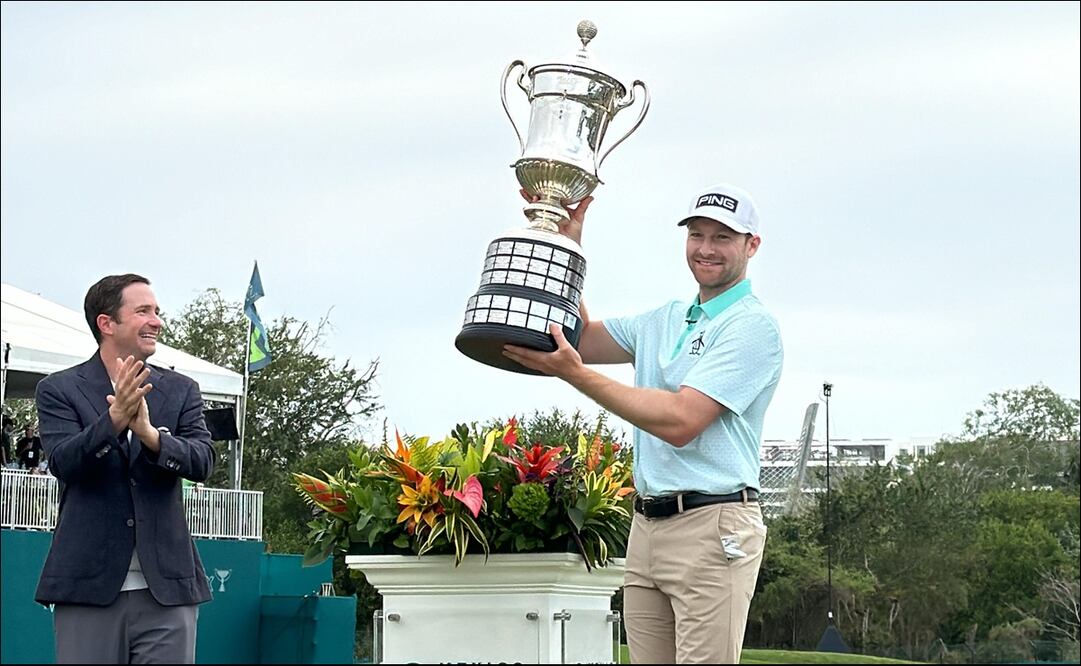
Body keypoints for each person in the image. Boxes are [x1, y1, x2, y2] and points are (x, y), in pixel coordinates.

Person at [503, 183, 783, 664]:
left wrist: (576, 377)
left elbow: (681, 421)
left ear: (751, 245)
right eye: (697, 235)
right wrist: (568, 250)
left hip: (713, 527)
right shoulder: (665, 319)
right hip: (647, 527)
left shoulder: (751, 326)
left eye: (723, 238)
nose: (706, 249)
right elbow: (578, 340)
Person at [34, 273, 216, 664]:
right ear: (107, 323)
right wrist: (113, 421)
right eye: (143, 311)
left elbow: (202, 461)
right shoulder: (59, 389)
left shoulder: (182, 389)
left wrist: (151, 437)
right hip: (87, 589)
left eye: (157, 311)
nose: (157, 321)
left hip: (168, 591)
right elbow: (63, 462)